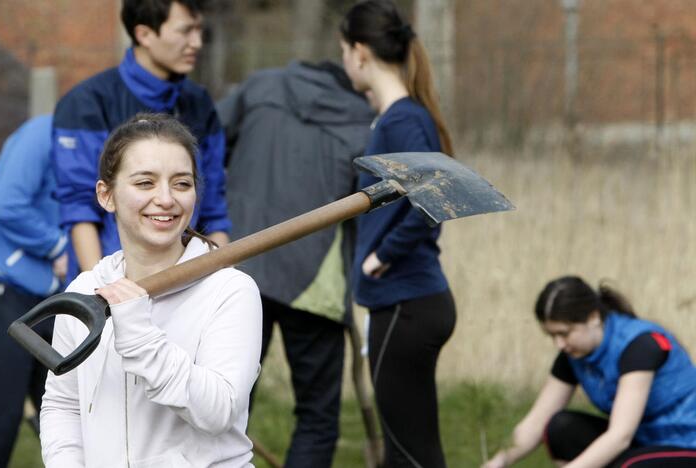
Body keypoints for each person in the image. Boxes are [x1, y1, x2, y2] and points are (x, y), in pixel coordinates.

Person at [40, 113, 262, 467]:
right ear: (106, 195)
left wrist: (140, 336)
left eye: (181, 184)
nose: (166, 199)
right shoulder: (86, 291)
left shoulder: (230, 291)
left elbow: (218, 412)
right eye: (145, 183)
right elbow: (64, 403)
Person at [218, 60, 374, 467]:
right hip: (314, 284)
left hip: (241, 267)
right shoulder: (362, 120)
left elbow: (205, 137)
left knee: (225, 406)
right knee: (317, 417)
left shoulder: (261, 85)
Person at [339, 1, 458, 466]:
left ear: (361, 52)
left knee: (409, 454)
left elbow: (434, 198)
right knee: (408, 449)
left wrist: (380, 257)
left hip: (406, 301)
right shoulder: (393, 117)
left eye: (345, 50)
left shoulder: (404, 119)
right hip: (403, 302)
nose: (345, 61)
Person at [53, 0, 230, 282]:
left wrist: (220, 280)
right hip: (112, 284)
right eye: (185, 31)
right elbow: (80, 211)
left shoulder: (199, 104)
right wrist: (102, 296)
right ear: (144, 34)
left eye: (199, 30)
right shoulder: (87, 103)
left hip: (185, 284)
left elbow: (214, 212)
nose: (196, 42)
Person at [483, 276, 696, 468]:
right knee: (561, 428)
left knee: (629, 465)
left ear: (593, 317)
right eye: (551, 336)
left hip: (686, 444)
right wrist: (500, 460)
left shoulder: (639, 345)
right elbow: (536, 422)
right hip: (644, 442)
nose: (559, 344)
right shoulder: (573, 355)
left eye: (564, 333)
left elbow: (620, 436)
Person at [0, 114, 67, 468]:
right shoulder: (42, 133)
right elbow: (8, 204)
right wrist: (57, 246)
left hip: (46, 296)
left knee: (68, 419)